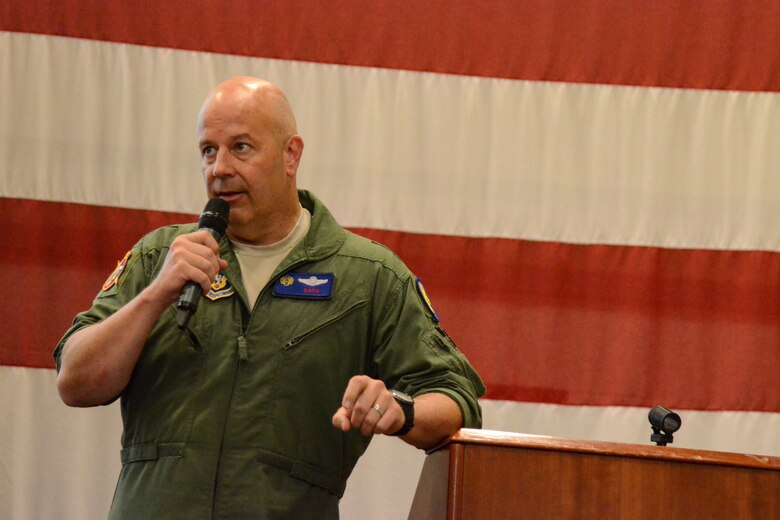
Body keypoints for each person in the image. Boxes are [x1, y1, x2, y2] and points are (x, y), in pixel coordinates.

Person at [54, 76, 485, 519]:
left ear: (291, 154)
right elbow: (75, 381)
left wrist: (401, 410)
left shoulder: (368, 276)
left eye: (240, 147)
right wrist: (155, 295)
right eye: (208, 150)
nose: (219, 168)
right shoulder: (158, 257)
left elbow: (458, 404)